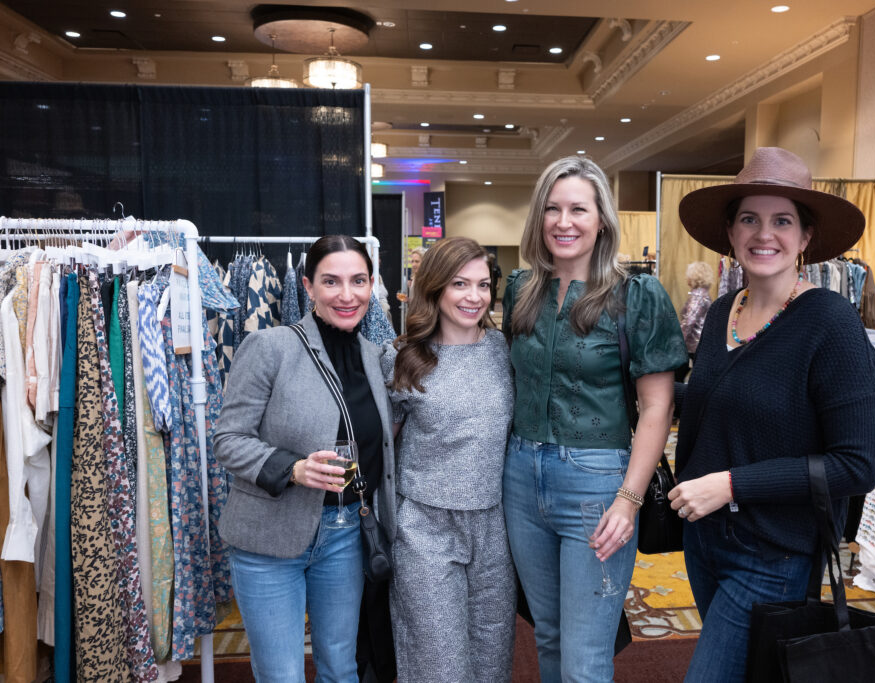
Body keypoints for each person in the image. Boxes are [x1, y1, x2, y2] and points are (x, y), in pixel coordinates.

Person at [669, 147, 875, 682]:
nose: (764, 234)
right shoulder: (726, 310)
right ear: (730, 230)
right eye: (749, 218)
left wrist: (731, 484)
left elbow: (858, 463)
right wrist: (650, 389)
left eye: (782, 221)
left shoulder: (830, 324)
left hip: (772, 553)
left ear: (806, 237)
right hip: (704, 541)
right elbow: (726, 402)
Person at [502, 156, 686, 682]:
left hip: (596, 481)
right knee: (548, 635)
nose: (564, 221)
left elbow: (656, 407)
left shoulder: (636, 295)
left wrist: (629, 500)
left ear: (601, 218)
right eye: (553, 209)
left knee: (585, 656)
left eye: (578, 209)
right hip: (520, 475)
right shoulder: (521, 289)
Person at [214, 235, 396, 682]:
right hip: (270, 536)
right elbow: (227, 438)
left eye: (358, 281)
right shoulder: (270, 347)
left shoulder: (379, 359)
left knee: (340, 665)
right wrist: (291, 468)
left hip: (346, 533)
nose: (347, 295)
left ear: (372, 285)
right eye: (331, 282)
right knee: (282, 674)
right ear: (308, 286)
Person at [382, 236, 516, 683]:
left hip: (493, 527)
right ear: (436, 288)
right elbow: (382, 446)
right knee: (437, 665)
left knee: (491, 659)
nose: (474, 297)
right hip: (425, 527)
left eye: (482, 285)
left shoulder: (504, 351)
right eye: (460, 284)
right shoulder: (403, 358)